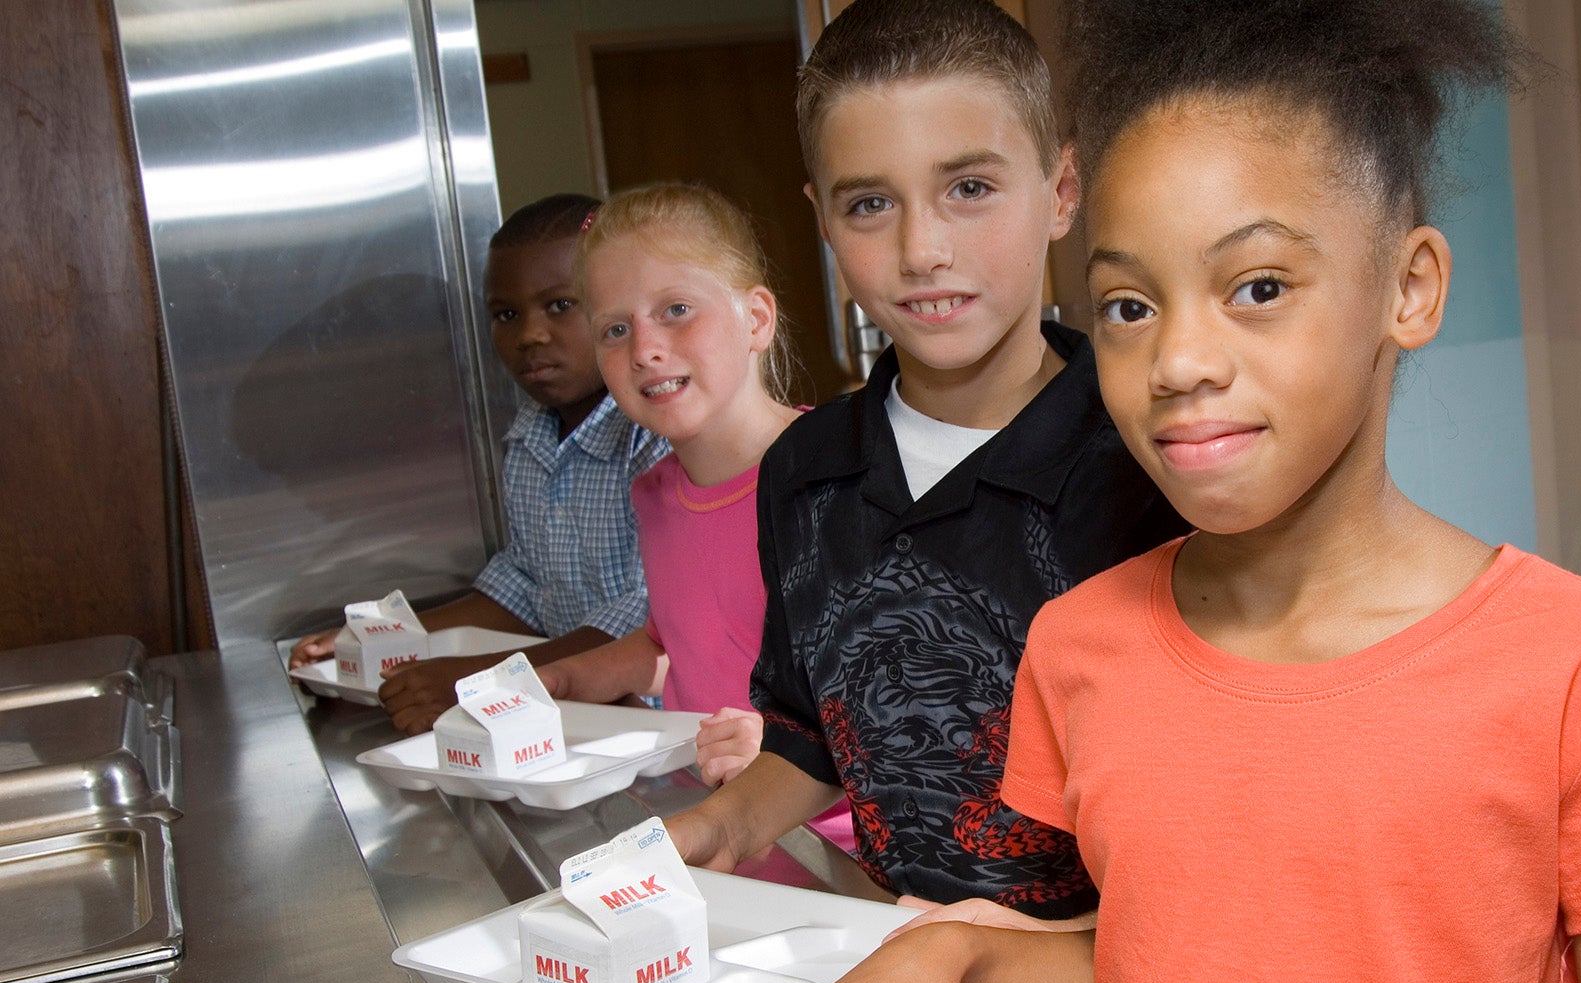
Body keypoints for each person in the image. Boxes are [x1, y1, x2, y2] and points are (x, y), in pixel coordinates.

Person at [760, 1, 1581, 983]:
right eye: (1127, 306)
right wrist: (959, 954)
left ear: (1407, 289)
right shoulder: (1079, 647)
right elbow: (1162, 971)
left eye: (1256, 288)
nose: (1180, 360)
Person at [661, 0, 1182, 918]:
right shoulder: (805, 471)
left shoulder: (1156, 455)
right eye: (870, 204)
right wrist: (716, 829)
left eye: (969, 188)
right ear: (821, 218)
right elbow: (811, 737)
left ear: (1062, 191)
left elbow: (1228, 807)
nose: (922, 251)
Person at [530, 183, 850, 850]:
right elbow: (672, 641)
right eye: (616, 329)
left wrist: (790, 752)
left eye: (676, 309)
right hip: (723, 838)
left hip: (842, 855)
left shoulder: (840, 481)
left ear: (756, 318)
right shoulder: (653, 497)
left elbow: (906, 694)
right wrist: (564, 677)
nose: (645, 348)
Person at [288, 194, 666, 734]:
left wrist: (478, 679)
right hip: (562, 716)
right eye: (506, 314)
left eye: (560, 305)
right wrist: (385, 631)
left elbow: (650, 617)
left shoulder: (655, 438)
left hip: (655, 731)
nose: (530, 334)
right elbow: (525, 585)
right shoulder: (530, 439)